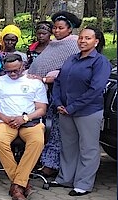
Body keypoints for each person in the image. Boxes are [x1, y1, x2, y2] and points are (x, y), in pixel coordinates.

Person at [51, 27, 111, 196]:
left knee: (88, 148)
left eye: (88, 38)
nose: (83, 41)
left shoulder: (100, 62)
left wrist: (72, 107)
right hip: (65, 110)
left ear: (96, 42)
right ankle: (65, 178)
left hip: (87, 112)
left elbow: (96, 89)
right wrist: (58, 103)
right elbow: (58, 82)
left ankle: (83, 184)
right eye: (81, 38)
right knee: (68, 146)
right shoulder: (72, 58)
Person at [0, 54, 48, 200]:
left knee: (37, 141)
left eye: (15, 70)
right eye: (8, 71)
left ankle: (17, 185)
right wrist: (5, 118)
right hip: (5, 121)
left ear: (23, 66)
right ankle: (22, 183)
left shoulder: (34, 83)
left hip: (29, 121)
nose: (12, 74)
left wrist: (24, 118)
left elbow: (41, 109)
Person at [26, 11, 82, 178]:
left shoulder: (73, 45)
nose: (56, 31)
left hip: (59, 94)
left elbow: (69, 70)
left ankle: (51, 165)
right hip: (42, 91)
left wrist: (48, 78)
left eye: (61, 28)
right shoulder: (54, 44)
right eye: (55, 28)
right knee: (43, 127)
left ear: (69, 29)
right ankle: (41, 160)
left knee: (56, 129)